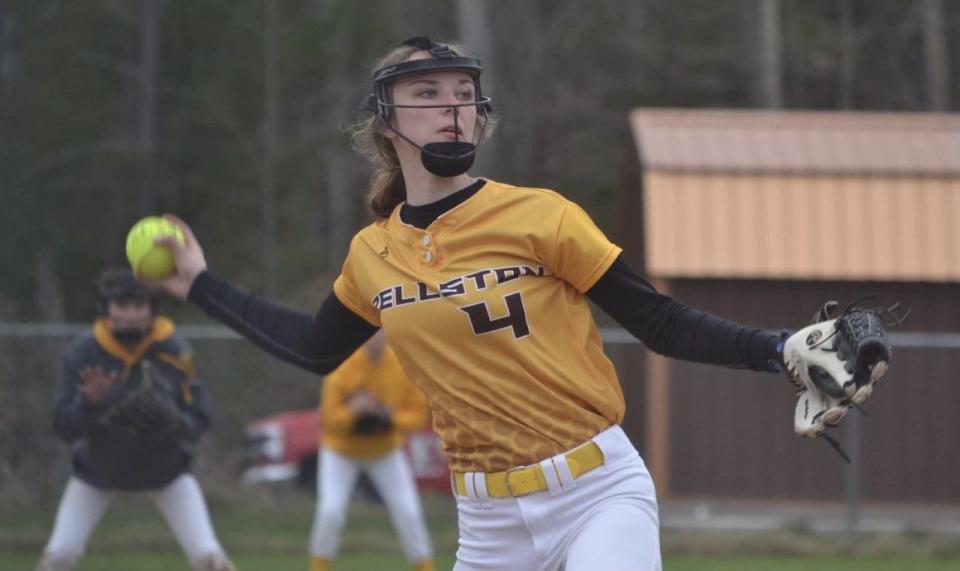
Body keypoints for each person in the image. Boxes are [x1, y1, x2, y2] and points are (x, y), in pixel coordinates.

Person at [146, 36, 804, 571]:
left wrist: (776, 348)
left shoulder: (540, 215)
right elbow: (314, 347)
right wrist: (200, 284)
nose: (451, 107)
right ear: (387, 120)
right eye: (427, 94)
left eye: (463, 94)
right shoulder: (374, 253)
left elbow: (659, 321)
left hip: (595, 491)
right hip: (488, 524)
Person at [37, 267, 234, 571]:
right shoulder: (84, 352)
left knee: (210, 560)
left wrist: (173, 421)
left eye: (138, 305)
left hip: (166, 471)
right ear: (107, 309)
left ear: (152, 310)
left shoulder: (174, 351)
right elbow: (64, 427)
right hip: (97, 471)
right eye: (121, 305)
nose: (129, 314)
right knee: (60, 555)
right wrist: (91, 404)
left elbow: (198, 422)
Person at [308, 329, 434, 571]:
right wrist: (354, 411)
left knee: (408, 512)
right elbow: (329, 420)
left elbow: (418, 417)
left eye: (379, 330)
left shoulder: (400, 365)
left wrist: (389, 417)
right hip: (342, 450)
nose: (374, 336)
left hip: (384, 449)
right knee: (330, 511)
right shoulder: (343, 364)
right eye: (368, 330)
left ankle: (425, 567)